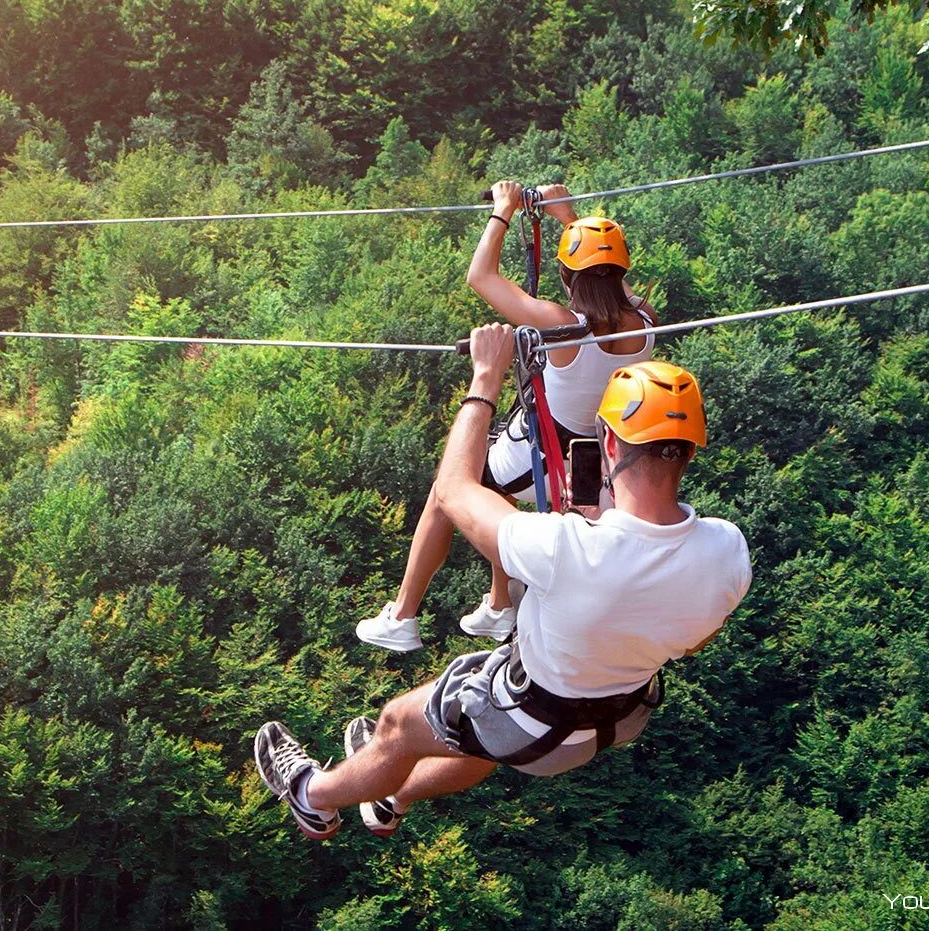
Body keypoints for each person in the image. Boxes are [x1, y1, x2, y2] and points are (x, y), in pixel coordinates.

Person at [256, 325, 750, 840]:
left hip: (533, 719)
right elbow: (695, 640)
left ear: (606, 440)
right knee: (477, 736)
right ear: (691, 451)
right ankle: (392, 798)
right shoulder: (727, 551)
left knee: (398, 726)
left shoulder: (564, 546)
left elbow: (452, 490)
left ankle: (311, 797)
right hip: (616, 720)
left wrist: (485, 379)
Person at [356, 181, 660, 652]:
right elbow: (609, 281)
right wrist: (568, 217)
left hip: (544, 452)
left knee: (447, 490)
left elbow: (481, 276)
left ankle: (402, 616)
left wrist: (502, 210)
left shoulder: (562, 326)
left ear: (566, 274)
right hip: (592, 458)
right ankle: (500, 606)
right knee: (498, 495)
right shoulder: (646, 320)